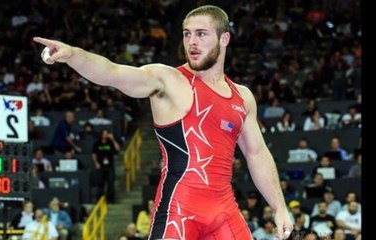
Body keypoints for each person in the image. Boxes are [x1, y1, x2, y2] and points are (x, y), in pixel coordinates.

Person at [33, 5, 292, 239]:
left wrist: (279, 207)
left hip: (224, 211)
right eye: (187, 33)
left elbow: (257, 154)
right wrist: (73, 55)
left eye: (201, 34)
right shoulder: (167, 80)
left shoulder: (242, 96)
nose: (192, 42)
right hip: (179, 211)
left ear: (224, 39)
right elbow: (111, 72)